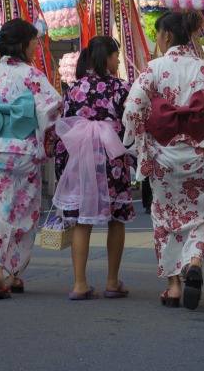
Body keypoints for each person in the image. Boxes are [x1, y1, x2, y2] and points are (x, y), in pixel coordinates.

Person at [123, 11, 204, 310]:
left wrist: (139, 136)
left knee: (164, 217)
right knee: (198, 215)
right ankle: (194, 261)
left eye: (158, 36)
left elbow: (132, 108)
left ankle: (173, 287)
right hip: (197, 155)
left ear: (167, 36)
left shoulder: (154, 68)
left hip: (163, 154)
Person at [0, 18, 62, 300]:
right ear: (23, 44)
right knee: (24, 211)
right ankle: (13, 273)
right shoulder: (32, 74)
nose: (37, 46)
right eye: (34, 41)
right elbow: (52, 109)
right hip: (24, 151)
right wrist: (48, 145)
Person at [53, 36, 134, 301]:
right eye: (117, 56)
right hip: (112, 161)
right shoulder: (122, 88)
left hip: (81, 160)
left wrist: (61, 169)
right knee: (116, 219)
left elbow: (64, 130)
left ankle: (80, 283)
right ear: (108, 57)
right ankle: (112, 281)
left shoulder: (73, 89)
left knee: (80, 220)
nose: (118, 61)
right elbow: (132, 125)